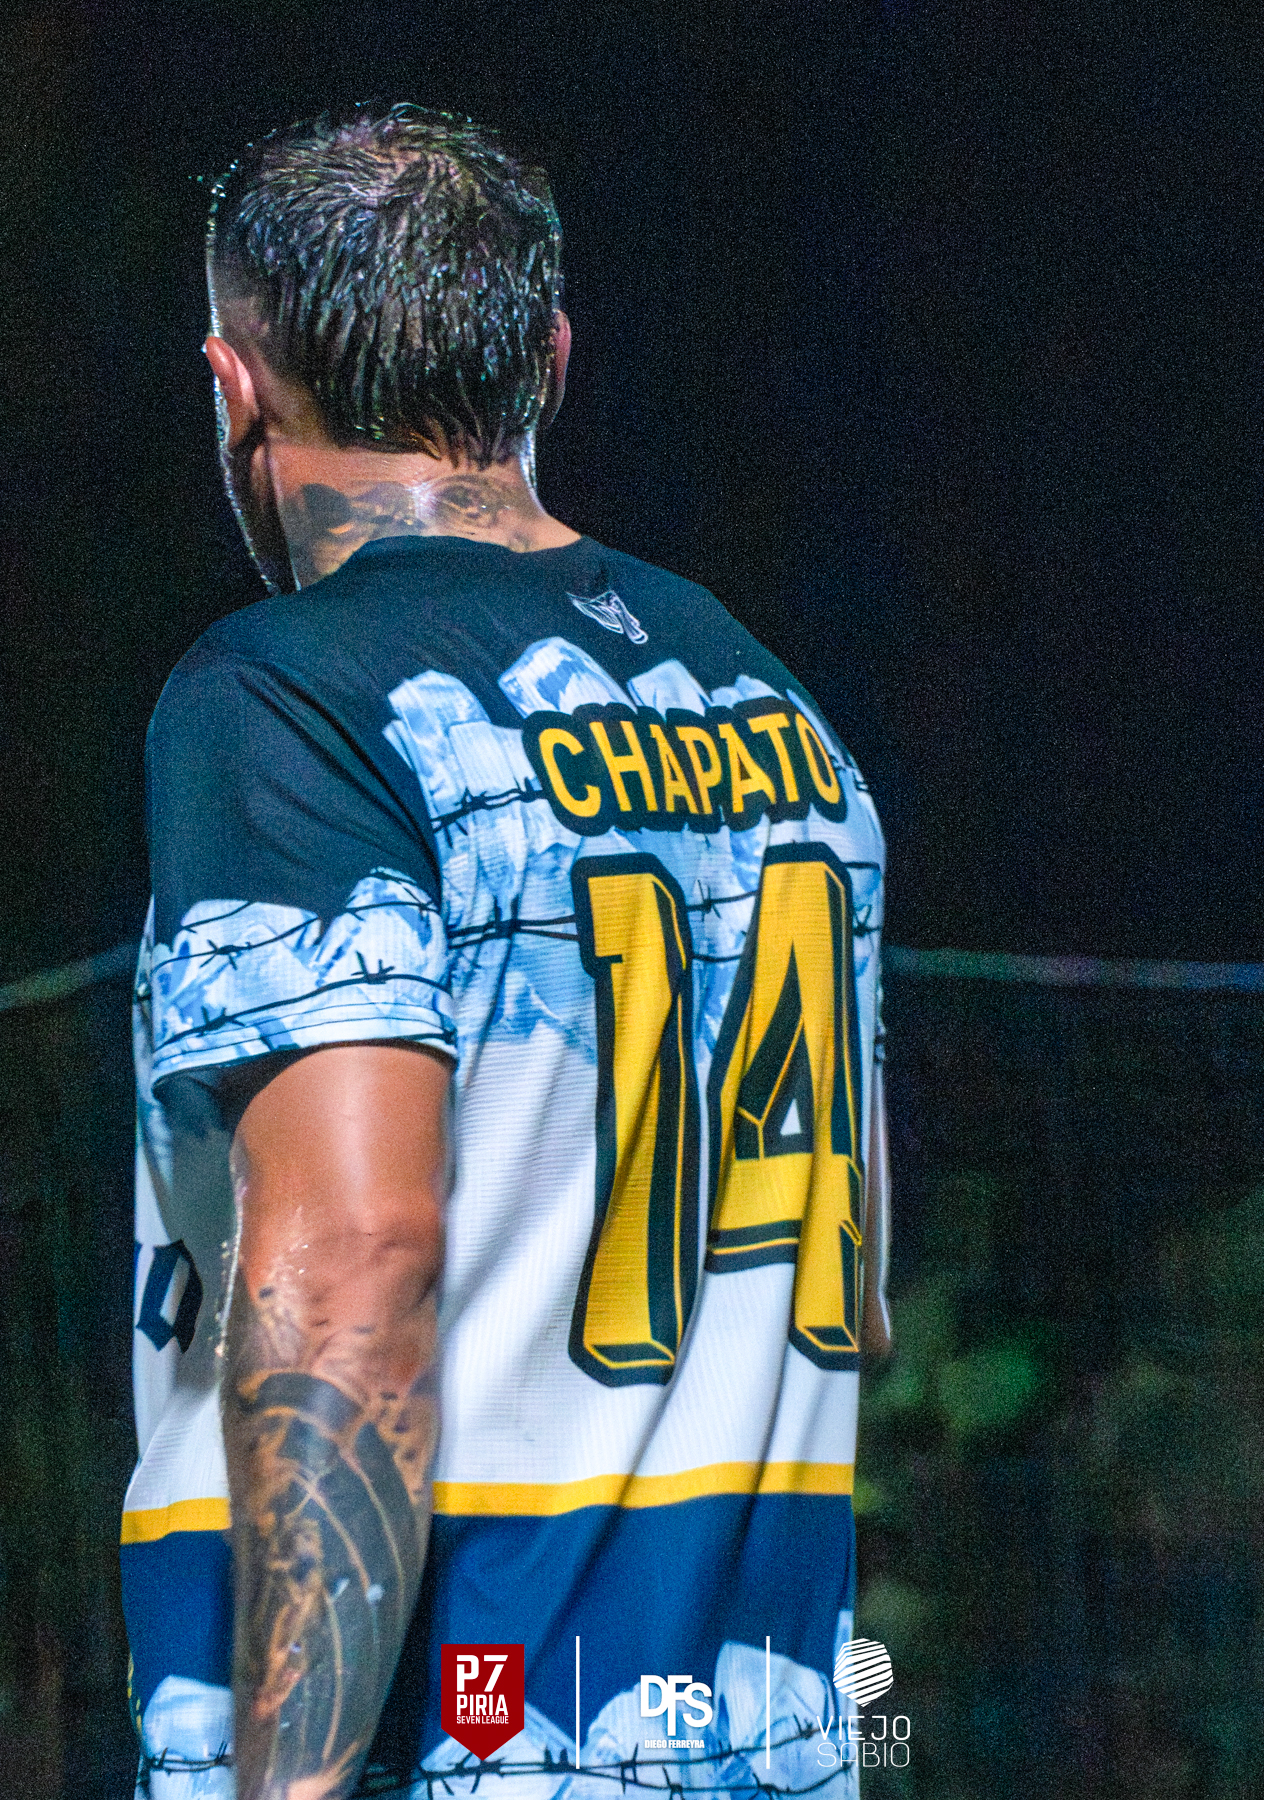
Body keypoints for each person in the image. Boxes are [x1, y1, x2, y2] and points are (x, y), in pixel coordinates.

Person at [122, 103, 890, 1800]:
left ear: (234, 387)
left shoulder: (288, 699)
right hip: (756, 1729)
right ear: (548, 358)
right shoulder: (767, 704)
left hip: (475, 1740)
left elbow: (353, 1256)